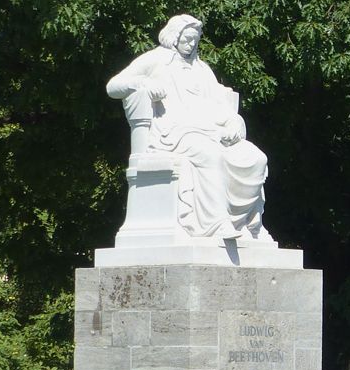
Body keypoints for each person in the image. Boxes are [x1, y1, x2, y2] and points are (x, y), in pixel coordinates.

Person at [106, 14, 269, 241]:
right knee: (210, 155)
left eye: (195, 40)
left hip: (211, 131)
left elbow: (219, 104)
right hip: (174, 133)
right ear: (175, 36)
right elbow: (113, 86)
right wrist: (144, 83)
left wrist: (234, 122)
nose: (191, 44)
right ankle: (217, 223)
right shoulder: (156, 59)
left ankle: (248, 224)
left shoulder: (202, 68)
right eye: (187, 39)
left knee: (256, 158)